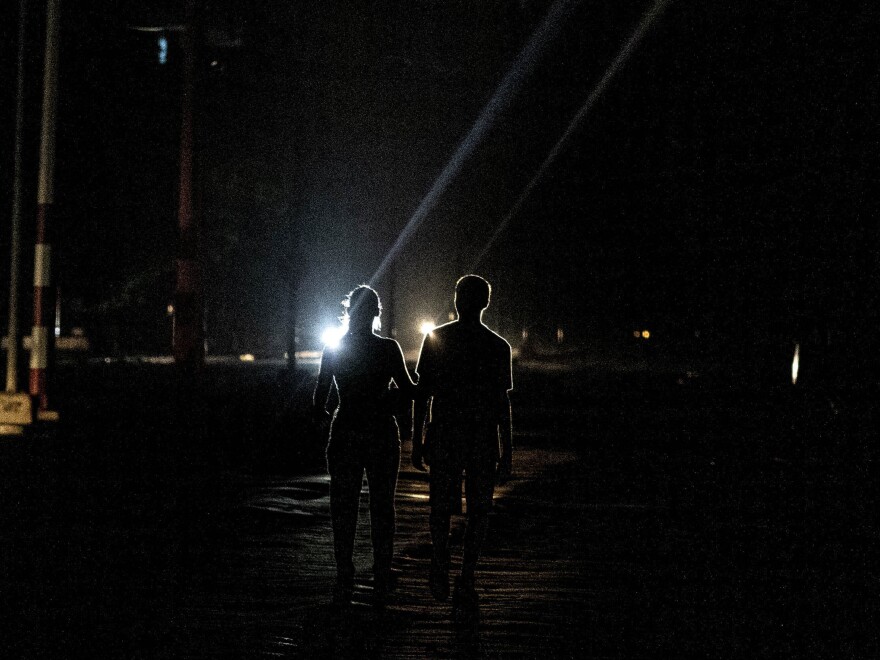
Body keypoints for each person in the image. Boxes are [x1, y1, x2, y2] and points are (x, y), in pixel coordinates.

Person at [411, 274, 513, 608]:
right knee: (479, 509)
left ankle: (440, 560)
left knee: (441, 506)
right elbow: (501, 403)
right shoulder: (498, 346)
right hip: (482, 437)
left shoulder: (437, 339)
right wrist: (507, 449)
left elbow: (423, 394)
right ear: (486, 303)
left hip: (445, 433)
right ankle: (466, 574)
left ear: (456, 300)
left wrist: (416, 439)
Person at [313, 285, 416, 607]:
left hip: (345, 429)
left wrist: (328, 418)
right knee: (383, 505)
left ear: (348, 313)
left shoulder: (335, 348)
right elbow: (408, 390)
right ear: (376, 313)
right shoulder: (388, 348)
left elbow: (319, 398)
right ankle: (382, 569)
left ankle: (345, 570)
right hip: (382, 431)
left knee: (343, 505)